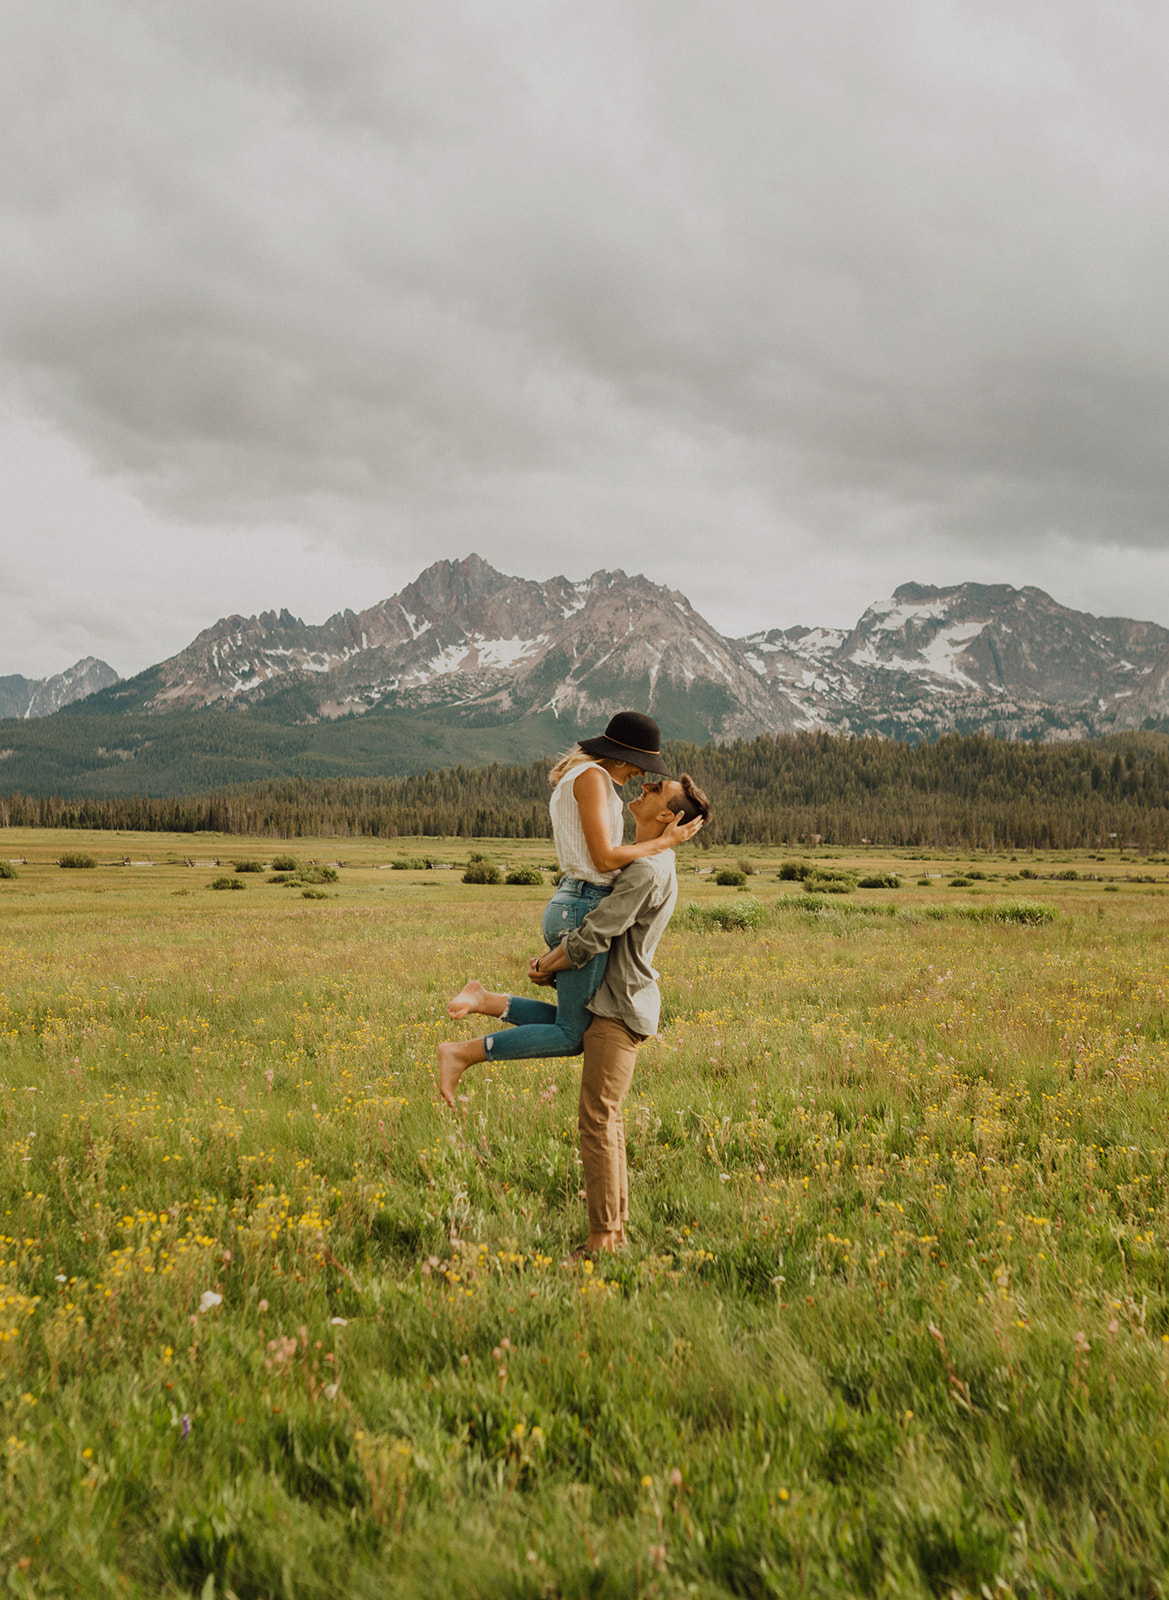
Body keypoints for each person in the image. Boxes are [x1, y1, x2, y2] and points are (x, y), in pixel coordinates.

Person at [438, 712, 702, 1107]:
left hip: (573, 900)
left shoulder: (585, 776)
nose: (638, 777)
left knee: (572, 1024)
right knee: (570, 1035)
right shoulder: (593, 779)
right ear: (622, 755)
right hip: (583, 903)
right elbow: (603, 857)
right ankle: (462, 1053)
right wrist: (664, 843)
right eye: (639, 766)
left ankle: (486, 1000)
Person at [527, 773, 711, 1254]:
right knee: (608, 1120)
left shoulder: (647, 870)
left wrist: (547, 964)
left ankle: (604, 1239)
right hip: (620, 1000)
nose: (643, 788)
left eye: (654, 790)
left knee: (597, 1119)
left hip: (620, 1005)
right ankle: (614, 1232)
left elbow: (594, 936)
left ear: (667, 817)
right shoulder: (652, 861)